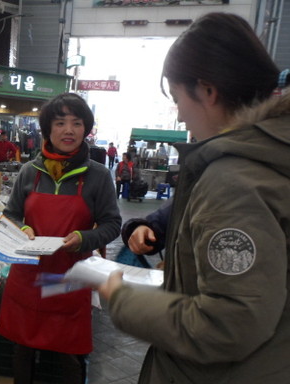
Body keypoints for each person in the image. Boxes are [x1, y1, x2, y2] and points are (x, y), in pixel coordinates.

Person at [99, 12, 290, 383]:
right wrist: (153, 226)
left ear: (207, 90)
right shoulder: (266, 157)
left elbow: (229, 325)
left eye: (177, 98)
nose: (180, 114)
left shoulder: (235, 178)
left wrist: (121, 299)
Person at [0, 92, 121, 384]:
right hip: (27, 276)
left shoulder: (98, 176)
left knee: (70, 353)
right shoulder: (30, 172)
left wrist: (83, 238)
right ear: (48, 130)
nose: (69, 130)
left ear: (85, 129)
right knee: (22, 349)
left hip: (69, 278)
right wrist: (22, 229)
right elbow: (10, 215)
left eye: (77, 123)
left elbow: (112, 224)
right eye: (60, 122)